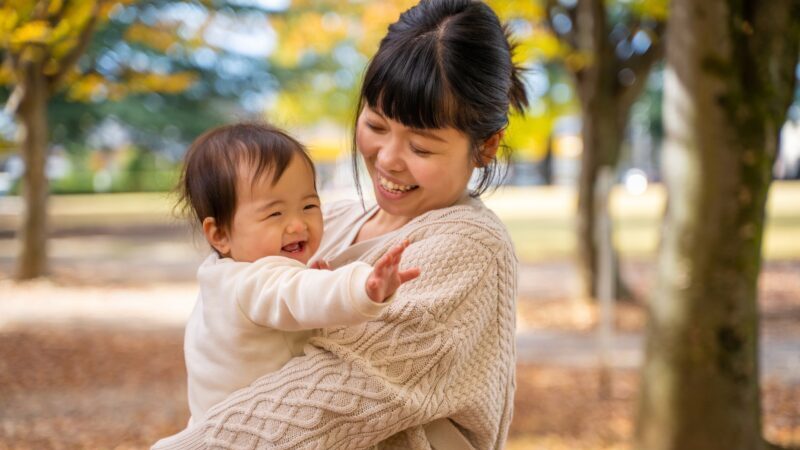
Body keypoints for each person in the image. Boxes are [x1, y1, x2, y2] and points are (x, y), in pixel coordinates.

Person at [153, 0, 527, 448]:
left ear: (486, 146)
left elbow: (326, 399)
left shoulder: (468, 247)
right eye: (376, 124)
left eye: (422, 148)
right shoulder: (325, 219)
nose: (388, 159)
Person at [173, 122, 420, 424]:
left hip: (212, 426)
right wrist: (363, 286)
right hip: (252, 434)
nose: (297, 224)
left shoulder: (219, 276)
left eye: (309, 205)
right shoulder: (257, 280)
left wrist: (311, 279)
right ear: (220, 233)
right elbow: (297, 292)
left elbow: (291, 296)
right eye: (275, 213)